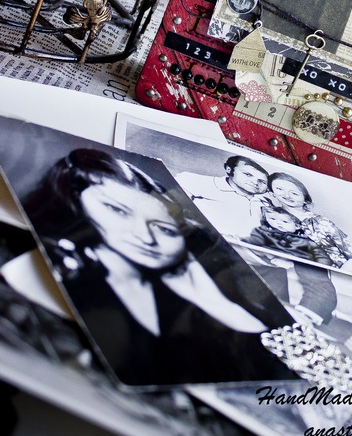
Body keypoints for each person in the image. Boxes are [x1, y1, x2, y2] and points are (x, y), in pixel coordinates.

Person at [24, 149, 295, 387]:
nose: (145, 237)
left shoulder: (187, 297)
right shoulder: (64, 271)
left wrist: (214, 303)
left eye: (164, 228)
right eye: (117, 210)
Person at [266, 172, 352, 274]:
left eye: (294, 193)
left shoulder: (321, 222)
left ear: (305, 199)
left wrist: (338, 278)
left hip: (337, 275)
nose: (287, 195)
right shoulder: (270, 218)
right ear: (272, 192)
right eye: (279, 189)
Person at [176, 154, 268, 238]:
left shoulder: (265, 203)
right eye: (248, 174)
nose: (255, 182)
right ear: (229, 169)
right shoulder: (199, 182)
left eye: (262, 181)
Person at [243, 205, 335, 265]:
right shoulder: (265, 231)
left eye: (285, 221)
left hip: (298, 262)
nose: (278, 223)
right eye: (273, 219)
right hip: (270, 258)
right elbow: (256, 240)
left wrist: (320, 265)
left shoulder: (305, 240)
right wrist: (243, 241)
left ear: (297, 226)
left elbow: (320, 255)